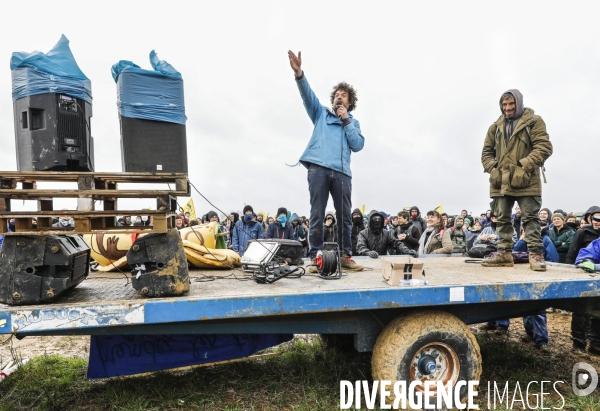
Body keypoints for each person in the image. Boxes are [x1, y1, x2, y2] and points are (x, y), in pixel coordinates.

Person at [288, 50, 364, 272]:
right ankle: (315, 256)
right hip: (319, 168)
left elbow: (358, 145)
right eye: (336, 95)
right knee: (317, 214)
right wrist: (299, 73)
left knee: (345, 217)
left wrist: (346, 120)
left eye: (343, 96)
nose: (339, 97)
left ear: (349, 103)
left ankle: (345, 256)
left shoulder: (353, 122)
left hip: (342, 173)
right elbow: (307, 95)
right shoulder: (321, 114)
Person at [481, 89, 553, 271]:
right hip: (501, 181)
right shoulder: (495, 127)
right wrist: (493, 168)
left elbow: (544, 147)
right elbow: (486, 153)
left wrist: (524, 165)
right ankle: (504, 253)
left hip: (527, 180)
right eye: (504, 105)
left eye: (511, 104)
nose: (507, 108)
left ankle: (536, 255)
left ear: (518, 103)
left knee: (531, 218)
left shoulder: (533, 121)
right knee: (502, 218)